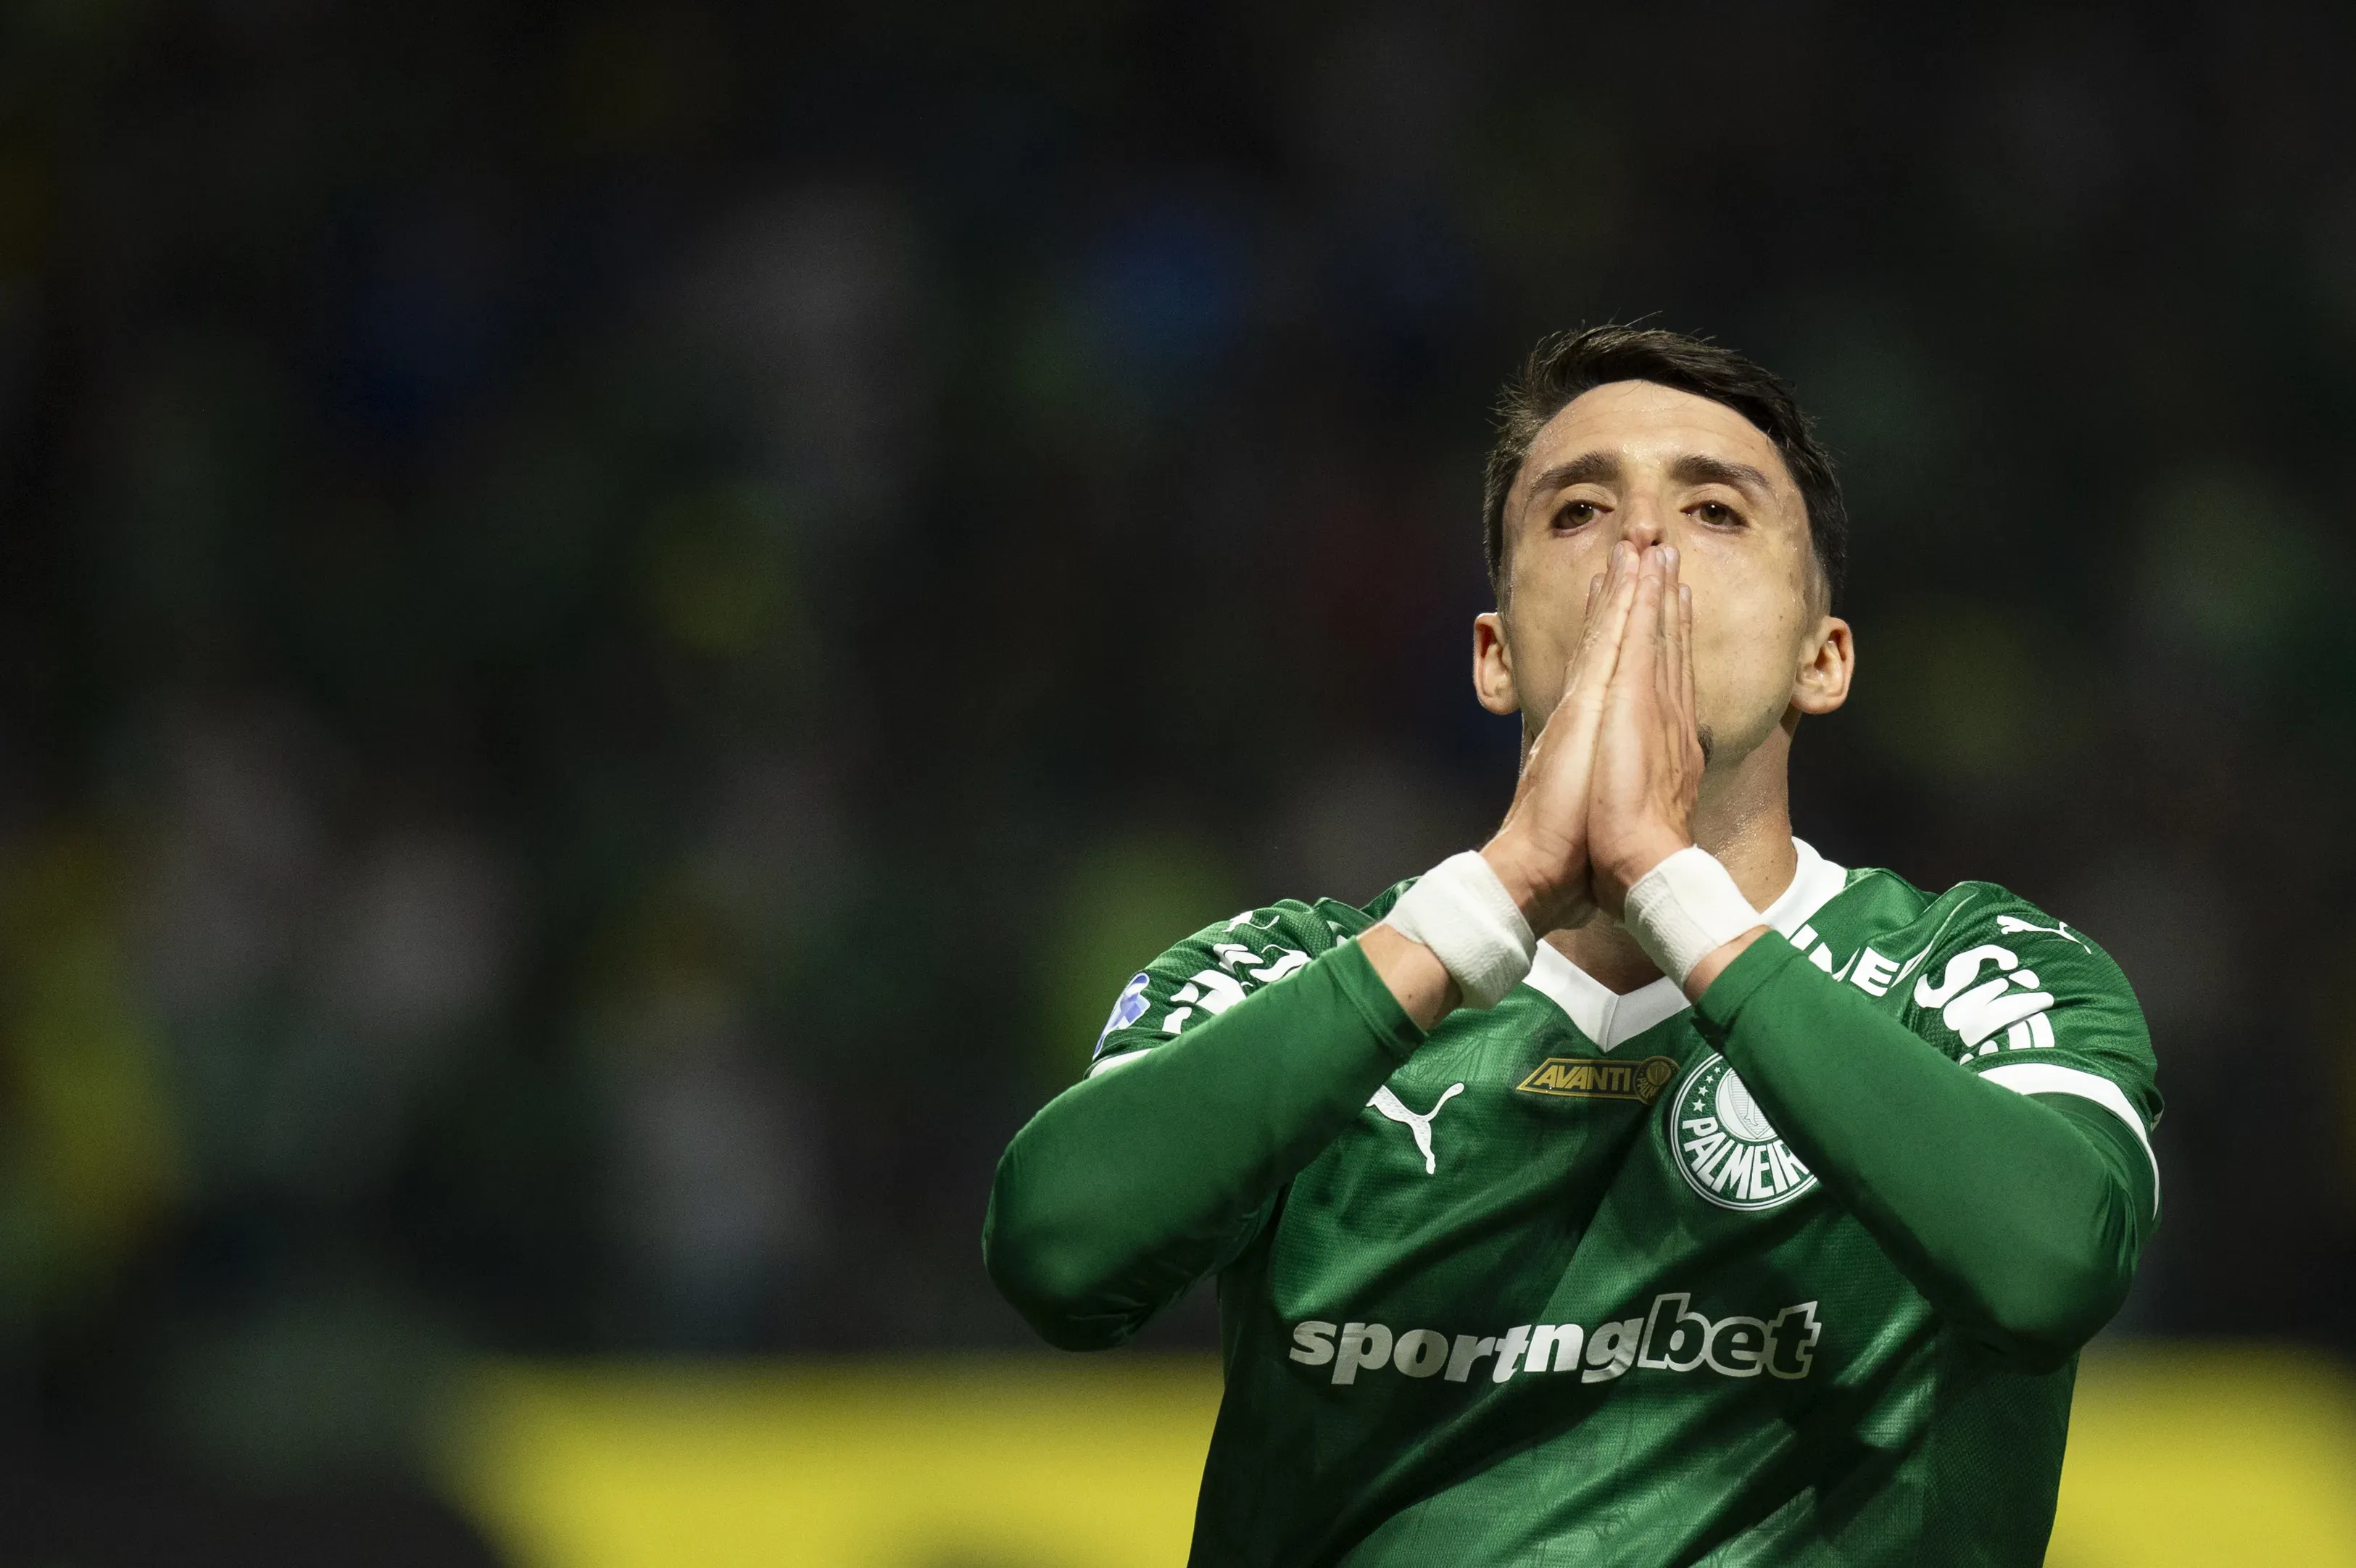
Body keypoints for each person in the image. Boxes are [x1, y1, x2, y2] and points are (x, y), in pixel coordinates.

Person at [982, 326, 2160, 1567]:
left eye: (1713, 509)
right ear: (1493, 656)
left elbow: (2046, 1268)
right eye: (1578, 510)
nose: (1640, 546)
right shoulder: (1299, 973)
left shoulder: (1967, 969)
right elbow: (1058, 1253)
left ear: (1823, 659)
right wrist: (1487, 905)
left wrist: (1672, 892)